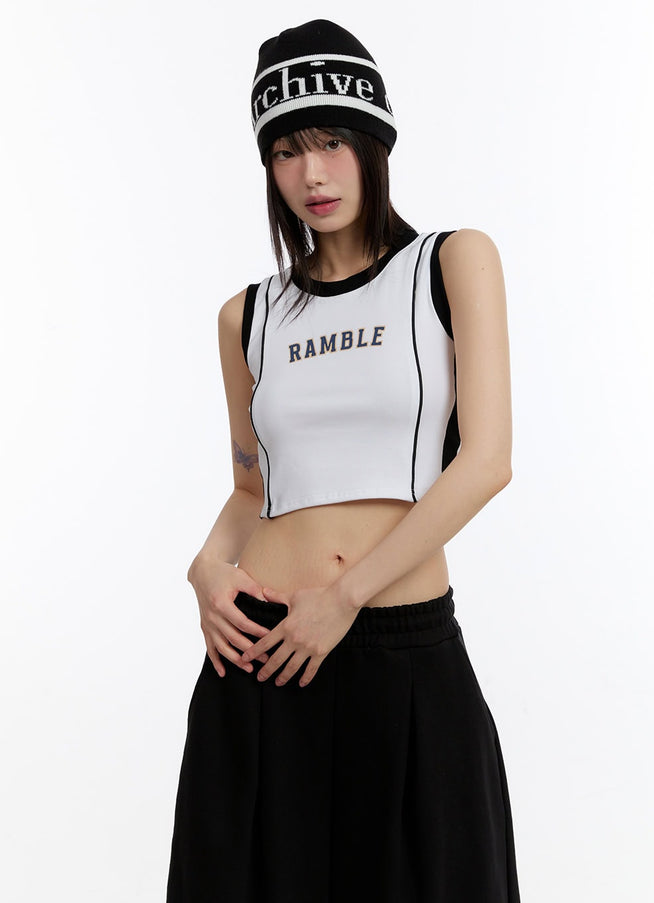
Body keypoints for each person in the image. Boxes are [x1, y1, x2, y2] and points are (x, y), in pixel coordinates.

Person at [166, 18, 520, 903]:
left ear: (373, 142)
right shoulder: (247, 316)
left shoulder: (450, 263)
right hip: (260, 659)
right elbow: (251, 485)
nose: (312, 175)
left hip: (401, 654)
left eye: (331, 141)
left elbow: (486, 461)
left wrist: (345, 597)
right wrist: (205, 567)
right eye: (286, 151)